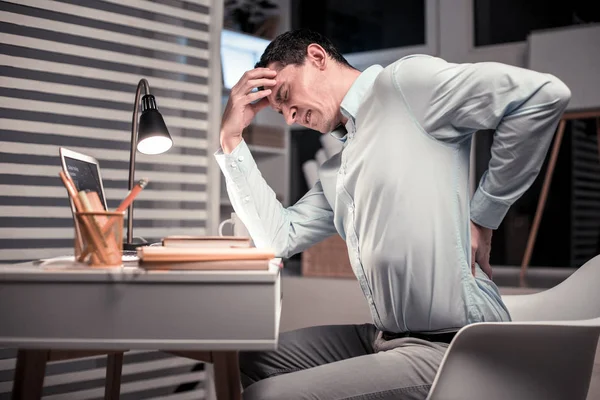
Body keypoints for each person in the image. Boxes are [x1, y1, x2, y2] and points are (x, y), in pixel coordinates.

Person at [215, 29, 571, 400]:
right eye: (279, 110)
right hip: (388, 337)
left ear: (317, 57)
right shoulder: (338, 168)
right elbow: (278, 238)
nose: (289, 117)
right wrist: (231, 141)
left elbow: (542, 96)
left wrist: (485, 213)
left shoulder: (404, 85)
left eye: (286, 96)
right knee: (255, 358)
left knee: (271, 396)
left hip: (457, 345)